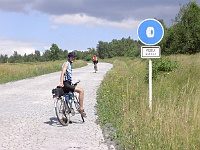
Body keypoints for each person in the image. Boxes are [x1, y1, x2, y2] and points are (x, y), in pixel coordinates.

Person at [59, 51, 86, 118]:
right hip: (66, 84)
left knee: (68, 98)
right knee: (81, 91)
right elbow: (63, 72)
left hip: (68, 83)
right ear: (69, 57)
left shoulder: (69, 64)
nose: (73, 58)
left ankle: (64, 115)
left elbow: (67, 75)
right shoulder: (67, 63)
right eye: (72, 57)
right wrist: (61, 83)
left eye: (74, 57)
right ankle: (81, 108)